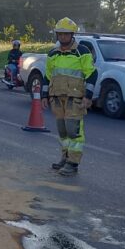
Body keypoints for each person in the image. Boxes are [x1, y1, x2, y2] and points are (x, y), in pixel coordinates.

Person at [41, 17, 97, 176]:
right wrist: (44, 96)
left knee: (73, 130)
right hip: (57, 98)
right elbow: (47, 76)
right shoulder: (53, 53)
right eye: (60, 34)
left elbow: (92, 74)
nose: (63, 37)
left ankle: (73, 163)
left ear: (72, 35)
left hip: (75, 98)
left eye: (66, 34)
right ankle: (65, 158)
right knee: (62, 130)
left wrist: (88, 96)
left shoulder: (82, 52)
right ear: (57, 35)